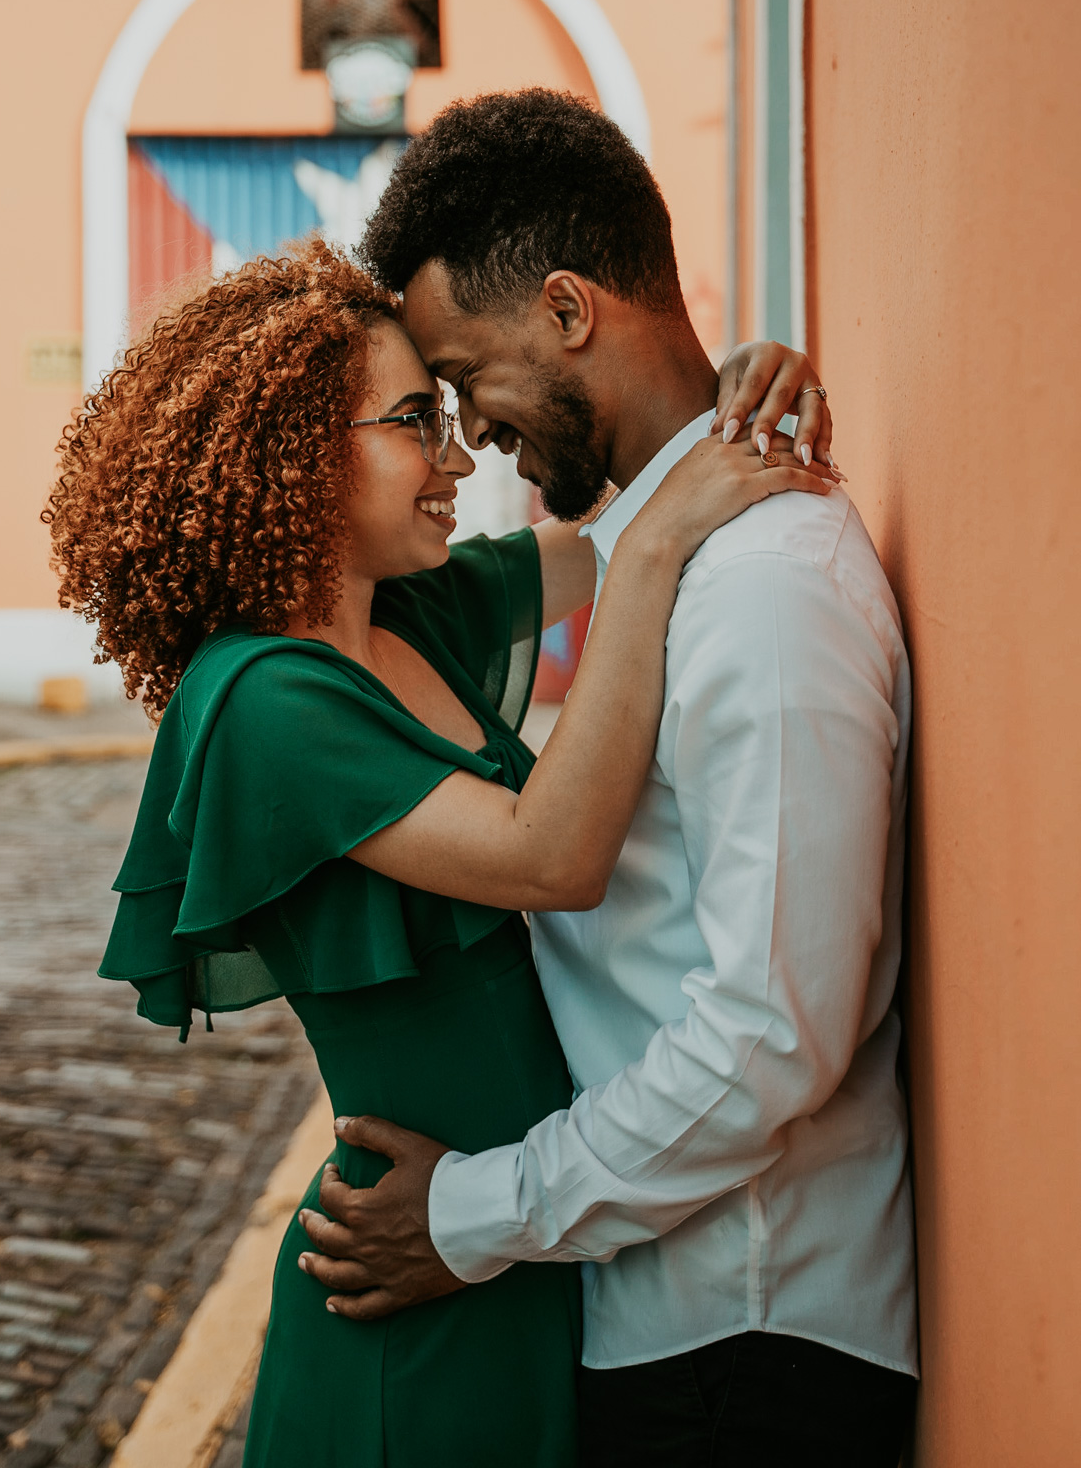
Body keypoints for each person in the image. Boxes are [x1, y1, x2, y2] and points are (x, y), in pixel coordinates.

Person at [43, 236, 830, 1468]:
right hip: (408, 1299)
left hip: (514, 1251)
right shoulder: (259, 700)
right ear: (298, 451)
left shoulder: (414, 609)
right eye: (417, 421)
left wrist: (729, 394)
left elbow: (632, 520)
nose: (460, 457)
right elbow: (550, 854)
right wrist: (664, 540)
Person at [297, 91, 919, 1468]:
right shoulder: (665, 547)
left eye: (466, 377)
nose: (466, 432)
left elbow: (772, 1037)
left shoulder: (764, 589)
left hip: (750, 1341)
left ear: (570, 310)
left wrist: (473, 1216)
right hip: (663, 1318)